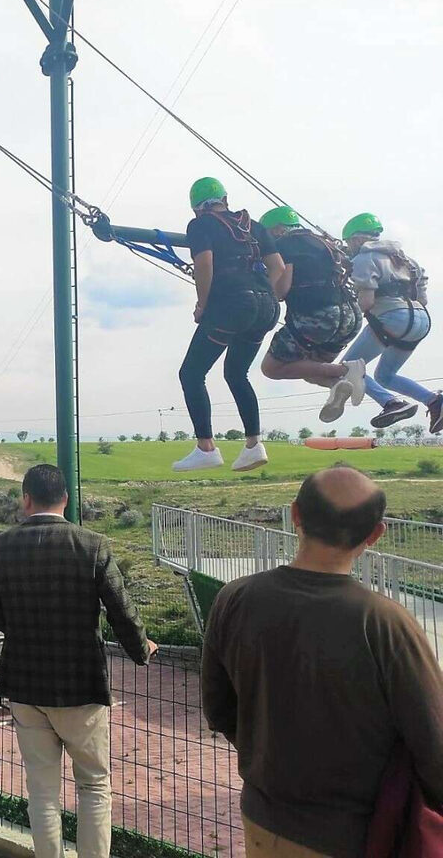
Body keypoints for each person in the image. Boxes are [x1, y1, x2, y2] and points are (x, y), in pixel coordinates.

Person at [201, 467, 443, 858]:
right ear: (375, 534)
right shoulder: (385, 623)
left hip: (261, 820)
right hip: (352, 838)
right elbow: (435, 747)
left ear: (295, 514)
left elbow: (218, 707)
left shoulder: (234, 598)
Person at [0, 465, 157, 858]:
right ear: (66, 498)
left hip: (25, 684)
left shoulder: (1, 546)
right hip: (82, 684)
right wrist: (142, 649)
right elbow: (121, 610)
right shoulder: (92, 544)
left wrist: (24, 627)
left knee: (42, 791)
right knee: (94, 785)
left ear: (26, 499)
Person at [175, 177, 288, 473]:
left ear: (197, 207)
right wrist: (265, 297)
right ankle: (254, 445)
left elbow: (204, 264)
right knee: (237, 373)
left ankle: (206, 447)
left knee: (191, 373)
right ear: (225, 198)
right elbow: (277, 268)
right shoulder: (255, 227)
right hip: (266, 307)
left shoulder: (200, 225)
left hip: (231, 306)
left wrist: (203, 304)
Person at [256, 206, 366, 423]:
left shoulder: (283, 245)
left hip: (316, 316)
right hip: (350, 316)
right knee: (306, 368)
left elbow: (282, 288)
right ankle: (337, 384)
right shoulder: (324, 243)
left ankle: (345, 369)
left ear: (277, 229)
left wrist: (272, 290)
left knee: (271, 368)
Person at [337, 212, 441, 433]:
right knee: (385, 375)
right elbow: (422, 299)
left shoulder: (363, 259)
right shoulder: (406, 260)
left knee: (348, 367)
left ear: (356, 239)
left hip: (393, 318)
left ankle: (391, 403)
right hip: (421, 321)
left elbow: (366, 302)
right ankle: (434, 401)